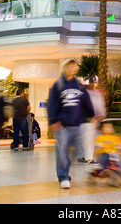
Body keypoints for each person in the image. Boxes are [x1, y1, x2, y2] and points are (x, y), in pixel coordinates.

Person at [47, 59, 95, 189]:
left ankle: (65, 171)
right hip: (62, 126)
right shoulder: (58, 85)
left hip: (77, 125)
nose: (73, 68)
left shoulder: (79, 85)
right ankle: (63, 176)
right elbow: (52, 104)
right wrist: (54, 120)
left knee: (73, 153)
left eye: (74, 66)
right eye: (70, 66)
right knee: (62, 152)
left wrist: (92, 116)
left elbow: (86, 101)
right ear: (65, 68)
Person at [78, 77, 106, 164]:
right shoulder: (89, 94)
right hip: (88, 120)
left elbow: (99, 106)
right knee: (88, 139)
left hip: (92, 119)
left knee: (90, 139)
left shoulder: (95, 94)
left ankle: (88, 157)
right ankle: (87, 157)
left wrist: (101, 116)